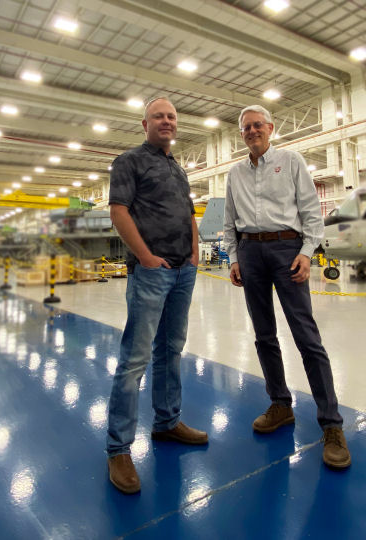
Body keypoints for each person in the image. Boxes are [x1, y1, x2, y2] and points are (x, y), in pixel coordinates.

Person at [223, 104, 351, 469]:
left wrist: (308, 252)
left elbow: (311, 212)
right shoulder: (235, 173)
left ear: (271, 128)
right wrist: (234, 258)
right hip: (250, 253)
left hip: (287, 249)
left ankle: (331, 424)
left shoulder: (292, 161)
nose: (251, 131)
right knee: (264, 335)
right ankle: (280, 405)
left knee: (306, 337)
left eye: (257, 125)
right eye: (246, 128)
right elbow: (230, 221)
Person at [105, 97, 207, 494]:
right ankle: (118, 449)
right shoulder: (129, 161)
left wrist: (196, 251)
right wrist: (145, 256)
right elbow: (119, 211)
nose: (166, 121)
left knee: (171, 350)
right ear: (144, 123)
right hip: (152, 272)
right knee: (135, 358)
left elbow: (189, 212)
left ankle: (166, 422)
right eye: (159, 116)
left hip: (184, 271)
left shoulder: (176, 167)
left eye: (172, 117)